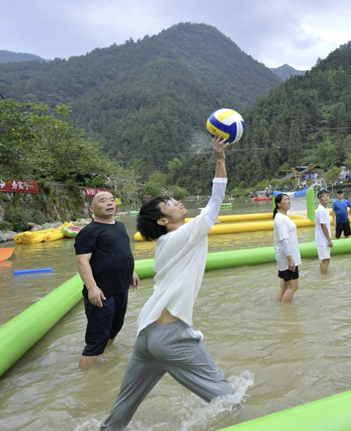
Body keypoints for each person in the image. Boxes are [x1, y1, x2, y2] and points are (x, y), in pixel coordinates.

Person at [100, 137, 233, 430]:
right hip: (172, 337)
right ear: (161, 220)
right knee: (231, 400)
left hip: (147, 335)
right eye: (169, 203)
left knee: (122, 409)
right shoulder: (182, 236)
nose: (177, 202)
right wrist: (220, 159)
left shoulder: (166, 244)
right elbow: (216, 202)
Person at [75, 192, 139, 370]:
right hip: (101, 293)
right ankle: (85, 381)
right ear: (91, 208)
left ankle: (106, 362)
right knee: (96, 340)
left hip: (120, 288)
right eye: (103, 201)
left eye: (112, 200)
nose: (109, 203)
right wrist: (92, 288)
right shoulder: (88, 232)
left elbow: (123, 251)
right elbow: (82, 261)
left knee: (114, 330)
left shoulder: (119, 226)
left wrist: (132, 271)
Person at [274, 193, 302, 302]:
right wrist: (290, 259)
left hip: (284, 256)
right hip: (287, 257)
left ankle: (279, 308)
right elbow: (284, 239)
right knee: (293, 286)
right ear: (278, 204)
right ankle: (286, 312)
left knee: (284, 286)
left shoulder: (283, 217)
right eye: (285, 200)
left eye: (289, 199)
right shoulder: (281, 219)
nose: (288, 201)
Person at [314, 190, 333, 274]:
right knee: (326, 261)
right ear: (319, 199)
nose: (326, 198)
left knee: (325, 260)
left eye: (327, 196)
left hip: (323, 239)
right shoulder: (321, 210)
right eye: (323, 196)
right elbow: (323, 225)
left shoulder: (325, 209)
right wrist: (329, 239)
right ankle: (325, 280)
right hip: (322, 239)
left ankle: (323, 277)